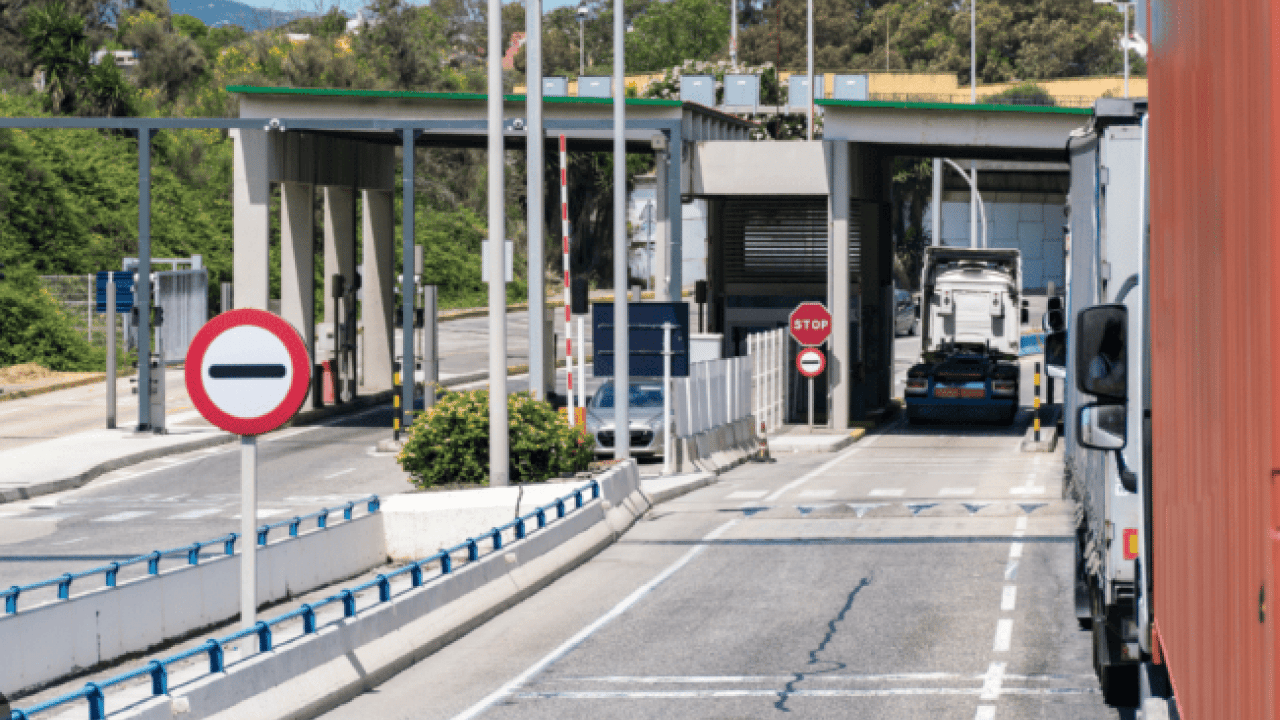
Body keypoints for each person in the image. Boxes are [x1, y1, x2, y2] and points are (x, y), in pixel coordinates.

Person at [1087, 318, 1126, 397]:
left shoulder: (1118, 364)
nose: (1122, 346)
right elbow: (1096, 387)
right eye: (1120, 342)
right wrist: (1120, 386)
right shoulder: (1098, 361)